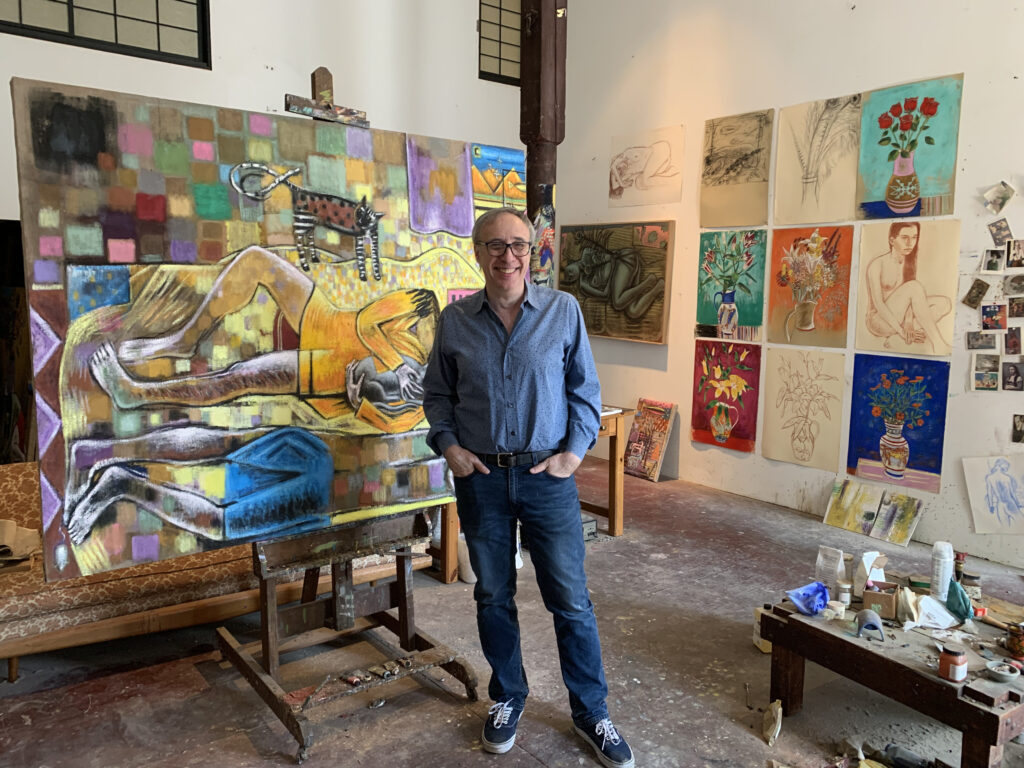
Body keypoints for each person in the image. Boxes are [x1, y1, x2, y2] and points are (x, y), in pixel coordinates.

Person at [423, 207, 633, 768]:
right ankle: (508, 696)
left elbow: (585, 391)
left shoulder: (562, 311)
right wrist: (450, 449)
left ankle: (592, 712)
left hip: (547, 479)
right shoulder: (455, 320)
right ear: (478, 252)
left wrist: (572, 454)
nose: (507, 256)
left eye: (517, 244)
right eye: (494, 245)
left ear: (532, 252)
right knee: (492, 594)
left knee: (570, 600)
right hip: (483, 481)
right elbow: (438, 397)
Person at [88, 244, 437, 431]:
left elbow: (395, 422)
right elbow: (365, 322)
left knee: (239, 377)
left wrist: (358, 403)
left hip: (326, 371)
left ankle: (134, 394)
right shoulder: (426, 306)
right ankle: (183, 339)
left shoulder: (433, 393)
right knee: (255, 260)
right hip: (329, 320)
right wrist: (396, 363)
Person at [864, 221, 951, 354]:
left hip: (899, 318)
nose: (910, 243)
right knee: (914, 287)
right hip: (878, 321)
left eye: (914, 238)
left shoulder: (908, 262)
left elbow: (911, 299)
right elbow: (879, 304)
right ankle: (938, 344)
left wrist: (909, 322)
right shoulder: (877, 264)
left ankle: (899, 338)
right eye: (905, 238)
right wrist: (902, 330)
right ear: (892, 240)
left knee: (944, 303)